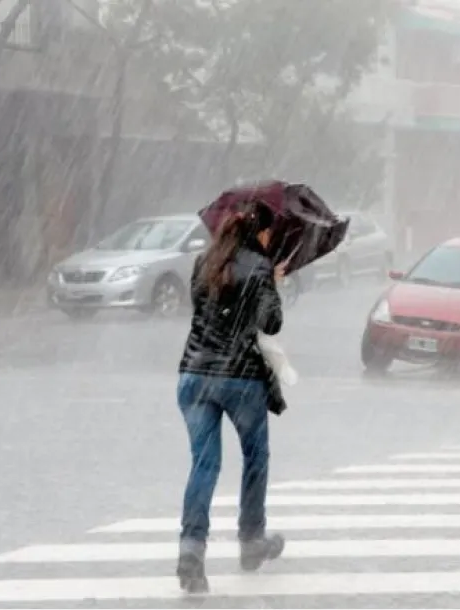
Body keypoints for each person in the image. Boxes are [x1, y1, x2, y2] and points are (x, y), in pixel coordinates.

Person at [175, 198, 287, 594]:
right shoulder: (259, 267)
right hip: (239, 378)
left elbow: (205, 311)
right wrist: (273, 281)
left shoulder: (202, 263)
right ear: (260, 232)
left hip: (193, 375)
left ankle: (191, 549)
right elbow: (270, 322)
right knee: (255, 457)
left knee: (203, 466)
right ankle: (251, 541)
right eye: (269, 233)